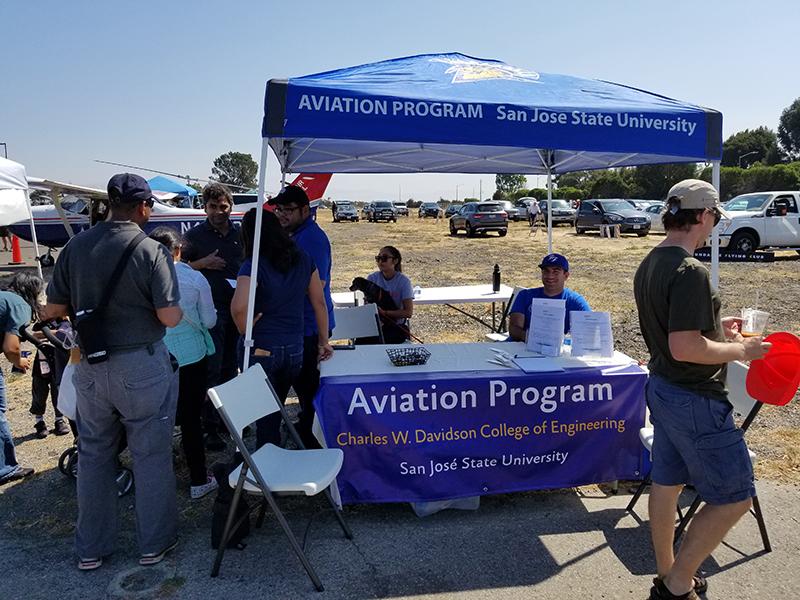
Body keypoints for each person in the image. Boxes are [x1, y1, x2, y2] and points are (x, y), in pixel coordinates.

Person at [633, 179, 771, 600]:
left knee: (667, 482)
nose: (713, 226)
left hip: (662, 387)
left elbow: (679, 332)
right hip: (693, 397)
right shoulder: (690, 270)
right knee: (735, 498)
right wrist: (741, 348)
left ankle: (667, 571)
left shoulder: (651, 261)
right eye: (714, 217)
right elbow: (685, 346)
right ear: (704, 215)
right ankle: (676, 585)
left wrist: (717, 328)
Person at [44, 173, 182, 571]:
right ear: (143, 208)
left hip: (90, 364)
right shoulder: (151, 250)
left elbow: (53, 309)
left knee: (94, 456)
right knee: (150, 454)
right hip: (140, 364)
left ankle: (91, 549)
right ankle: (153, 544)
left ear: (108, 202)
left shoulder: (75, 246)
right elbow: (169, 317)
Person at [230, 209, 333, 448]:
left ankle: (269, 467)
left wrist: (244, 327)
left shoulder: (254, 264)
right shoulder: (303, 258)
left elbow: (238, 308)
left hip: (262, 345)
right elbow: (319, 302)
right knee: (279, 404)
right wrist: (323, 341)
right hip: (295, 347)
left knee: (266, 417)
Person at [149, 226, 218, 500]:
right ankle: (198, 479)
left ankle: (157, 480)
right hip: (191, 357)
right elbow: (210, 321)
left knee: (156, 419)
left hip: (154, 358)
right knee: (191, 420)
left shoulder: (141, 278)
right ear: (179, 250)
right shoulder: (195, 279)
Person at [269, 185, 335, 448]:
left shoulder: (311, 239)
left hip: (310, 326)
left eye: (288, 210)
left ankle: (312, 439)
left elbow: (319, 284)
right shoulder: (296, 234)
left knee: (308, 387)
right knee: (304, 386)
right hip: (302, 325)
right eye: (279, 209)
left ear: (305, 210)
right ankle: (306, 429)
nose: (282, 214)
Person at [182, 183, 242, 450]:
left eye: (224, 206)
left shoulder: (241, 234)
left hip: (238, 309)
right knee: (212, 369)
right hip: (211, 312)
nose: (219, 211)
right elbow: (178, 268)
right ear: (205, 208)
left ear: (230, 206)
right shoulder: (194, 236)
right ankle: (211, 427)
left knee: (233, 367)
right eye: (213, 207)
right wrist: (202, 264)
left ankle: (230, 420)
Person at [7, 272, 70, 438]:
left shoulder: (64, 322)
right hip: (41, 364)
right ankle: (39, 420)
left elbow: (64, 333)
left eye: (45, 308)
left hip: (58, 363)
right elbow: (34, 335)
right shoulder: (38, 323)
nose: (41, 311)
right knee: (39, 393)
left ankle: (59, 419)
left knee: (59, 393)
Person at [508, 253, 591, 342]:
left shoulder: (575, 302)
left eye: (556, 271)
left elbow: (589, 330)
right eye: (546, 271)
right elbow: (514, 329)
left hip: (557, 352)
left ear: (566, 275)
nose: (550, 276)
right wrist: (532, 338)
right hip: (521, 347)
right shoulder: (525, 295)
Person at [0, 289, 34, 486]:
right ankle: (5, 469)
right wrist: (19, 361)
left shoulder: (4, 299)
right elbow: (11, 348)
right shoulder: (19, 304)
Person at [367, 245, 414, 343]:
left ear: (395, 261)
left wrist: (385, 313)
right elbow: (367, 306)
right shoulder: (372, 278)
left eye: (384, 258)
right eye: (378, 258)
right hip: (374, 326)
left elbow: (408, 312)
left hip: (396, 326)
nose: (380, 262)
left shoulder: (404, 282)